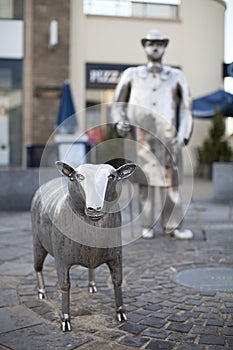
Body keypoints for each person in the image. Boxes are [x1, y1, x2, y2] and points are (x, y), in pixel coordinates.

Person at [111, 29, 193, 240]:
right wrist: (120, 121)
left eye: (159, 43)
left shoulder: (176, 75)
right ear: (145, 46)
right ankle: (146, 224)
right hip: (141, 137)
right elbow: (118, 103)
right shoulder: (132, 74)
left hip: (169, 137)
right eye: (150, 43)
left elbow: (186, 108)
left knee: (172, 185)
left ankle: (172, 225)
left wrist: (183, 134)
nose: (155, 47)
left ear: (165, 47)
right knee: (144, 185)